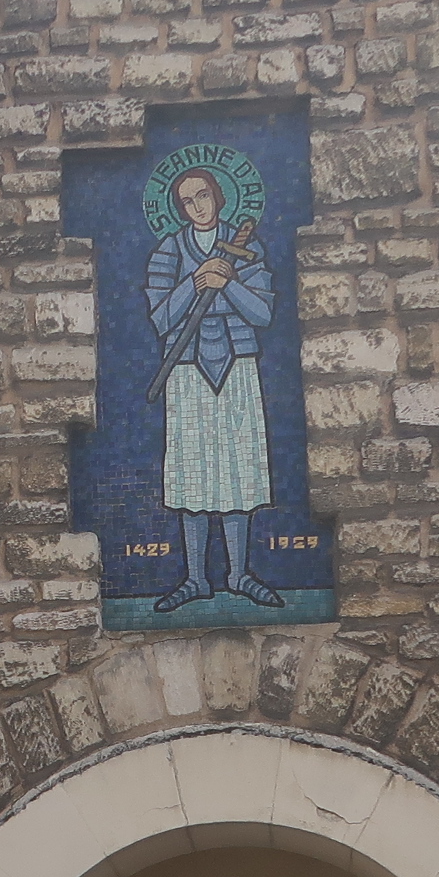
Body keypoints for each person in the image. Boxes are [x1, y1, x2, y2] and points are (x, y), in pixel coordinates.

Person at [143, 166, 284, 610]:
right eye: (187, 201)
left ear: (219, 197)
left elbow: (263, 314)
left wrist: (229, 283)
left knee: (237, 469)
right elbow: (161, 318)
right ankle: (195, 579)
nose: (197, 207)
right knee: (193, 472)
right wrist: (196, 281)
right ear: (178, 209)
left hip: (237, 365)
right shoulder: (168, 251)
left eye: (203, 195)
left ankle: (239, 575)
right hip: (186, 368)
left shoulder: (248, 248)